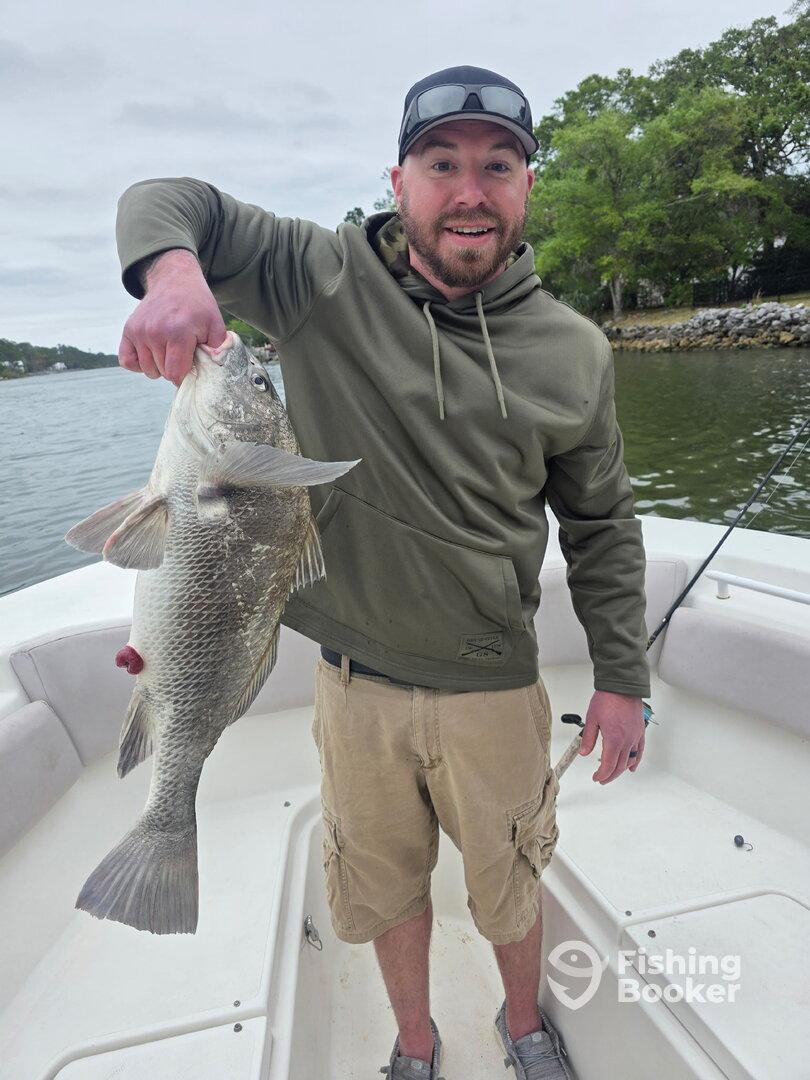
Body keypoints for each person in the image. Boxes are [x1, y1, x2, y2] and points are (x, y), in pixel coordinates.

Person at [115, 64, 649, 1080]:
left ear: (527, 188)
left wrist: (623, 679)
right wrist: (175, 275)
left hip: (494, 685)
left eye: (498, 165)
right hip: (353, 684)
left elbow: (604, 525)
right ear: (399, 181)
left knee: (511, 883)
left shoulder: (575, 351)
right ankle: (414, 1042)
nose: (470, 189)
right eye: (441, 162)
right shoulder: (315, 279)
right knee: (381, 883)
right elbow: (167, 202)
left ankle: (523, 1024)